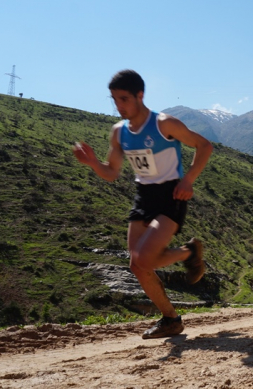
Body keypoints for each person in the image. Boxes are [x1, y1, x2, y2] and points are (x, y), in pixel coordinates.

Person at [72, 69, 213, 339]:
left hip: (171, 194)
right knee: (137, 266)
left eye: (124, 99)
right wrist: (91, 162)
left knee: (144, 258)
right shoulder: (119, 132)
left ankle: (188, 254)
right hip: (143, 195)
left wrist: (188, 180)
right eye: (114, 99)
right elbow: (112, 173)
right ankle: (171, 318)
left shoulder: (164, 123)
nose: (118, 105)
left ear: (140, 95)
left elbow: (204, 146)